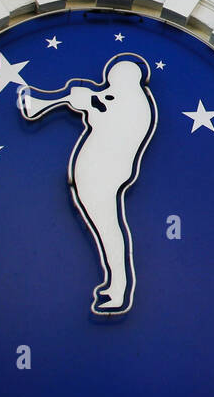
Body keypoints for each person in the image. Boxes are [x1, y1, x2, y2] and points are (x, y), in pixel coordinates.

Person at [18, 54, 157, 314]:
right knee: (105, 229)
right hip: (96, 173)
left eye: (115, 79)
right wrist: (86, 100)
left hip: (104, 174)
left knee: (108, 230)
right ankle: (115, 285)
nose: (109, 84)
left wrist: (88, 101)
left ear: (127, 79)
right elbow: (101, 108)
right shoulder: (118, 100)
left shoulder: (135, 104)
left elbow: (114, 121)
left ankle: (118, 290)